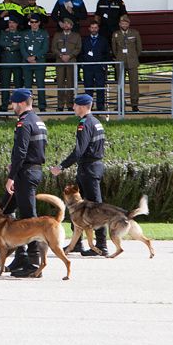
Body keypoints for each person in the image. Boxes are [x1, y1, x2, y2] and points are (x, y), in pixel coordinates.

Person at [50, 94, 108, 256]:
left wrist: (61, 166)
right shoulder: (96, 122)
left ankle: (101, 245)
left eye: (75, 105)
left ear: (82, 107)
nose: (73, 108)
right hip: (93, 167)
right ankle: (77, 243)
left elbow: (79, 151)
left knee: (94, 208)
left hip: (88, 169)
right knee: (78, 206)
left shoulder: (85, 124)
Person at [4, 88, 48, 278]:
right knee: (7, 210)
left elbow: (21, 151)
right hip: (32, 170)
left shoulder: (24, 122)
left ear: (21, 103)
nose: (12, 106)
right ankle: (20, 255)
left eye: (14, 103)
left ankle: (33, 262)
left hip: (25, 173)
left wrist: (11, 176)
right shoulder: (37, 120)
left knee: (29, 218)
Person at [111, 14, 142, 112]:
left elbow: (139, 48)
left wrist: (133, 56)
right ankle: (120, 104)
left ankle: (134, 104)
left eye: (126, 23)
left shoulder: (135, 33)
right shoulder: (115, 34)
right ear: (119, 24)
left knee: (134, 84)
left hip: (132, 62)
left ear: (129, 24)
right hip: (120, 61)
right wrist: (119, 57)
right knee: (120, 84)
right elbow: (114, 49)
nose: (124, 25)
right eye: (122, 23)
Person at [52, 17, 82, 111]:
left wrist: (70, 56)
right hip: (60, 61)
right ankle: (60, 105)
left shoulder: (76, 36)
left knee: (70, 84)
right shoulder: (57, 35)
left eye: (68, 24)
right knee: (60, 83)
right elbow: (53, 48)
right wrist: (61, 55)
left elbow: (78, 48)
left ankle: (70, 105)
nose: (66, 25)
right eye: (64, 23)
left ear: (71, 26)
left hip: (71, 61)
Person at [79, 20, 109, 110]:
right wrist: (83, 64)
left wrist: (103, 65)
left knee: (100, 87)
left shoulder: (103, 40)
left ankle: (100, 106)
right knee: (88, 87)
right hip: (88, 67)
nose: (94, 29)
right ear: (89, 29)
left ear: (98, 28)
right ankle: (89, 106)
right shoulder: (85, 40)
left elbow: (107, 53)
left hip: (99, 67)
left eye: (95, 27)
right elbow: (81, 53)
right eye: (92, 28)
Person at [22, 14, 50, 111]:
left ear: (39, 23)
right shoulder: (25, 33)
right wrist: (28, 57)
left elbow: (45, 48)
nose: (33, 24)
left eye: (35, 22)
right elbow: (22, 47)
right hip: (27, 63)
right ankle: (28, 106)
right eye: (32, 22)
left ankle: (42, 106)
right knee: (27, 85)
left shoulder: (44, 33)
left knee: (40, 85)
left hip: (39, 62)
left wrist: (35, 57)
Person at [0, 15, 25, 96]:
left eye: (13, 23)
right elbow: (1, 43)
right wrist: (13, 44)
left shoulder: (21, 34)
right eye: (10, 23)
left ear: (17, 24)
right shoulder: (4, 33)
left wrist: (9, 47)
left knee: (18, 85)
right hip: (6, 62)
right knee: (5, 86)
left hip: (17, 62)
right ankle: (4, 103)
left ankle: (19, 103)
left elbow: (20, 45)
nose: (11, 25)